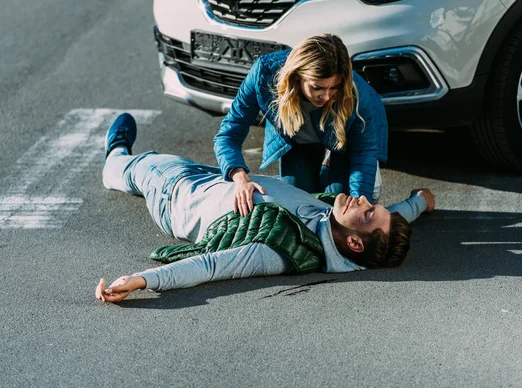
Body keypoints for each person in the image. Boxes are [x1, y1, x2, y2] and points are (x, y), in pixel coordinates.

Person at [95, 114, 435, 303]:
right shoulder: (338, 230)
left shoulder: (279, 250)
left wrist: (140, 280)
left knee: (131, 169)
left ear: (355, 243)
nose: (362, 199)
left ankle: (115, 155)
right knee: (157, 162)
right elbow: (392, 219)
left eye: (367, 211)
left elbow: (209, 267)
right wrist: (419, 202)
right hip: (221, 179)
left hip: (177, 194)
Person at [213, 33, 388, 217]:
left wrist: (359, 205)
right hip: (299, 141)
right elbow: (228, 134)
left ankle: (334, 165)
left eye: (333, 87)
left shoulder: (355, 92)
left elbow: (364, 152)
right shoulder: (263, 74)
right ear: (297, 77)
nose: (326, 96)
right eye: (317, 87)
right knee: (298, 209)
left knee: (336, 203)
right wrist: (240, 178)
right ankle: (324, 167)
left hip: (344, 144)